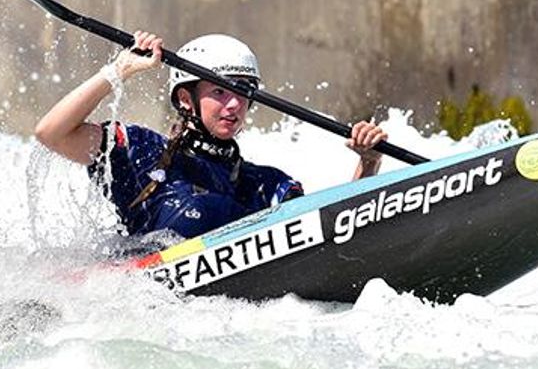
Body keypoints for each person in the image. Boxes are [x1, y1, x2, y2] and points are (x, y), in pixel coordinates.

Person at [35, 30, 388, 239]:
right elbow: (52, 133)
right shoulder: (142, 153)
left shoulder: (264, 185)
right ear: (186, 98)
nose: (235, 104)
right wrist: (119, 70)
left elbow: (335, 230)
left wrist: (368, 164)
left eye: (244, 92)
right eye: (220, 92)